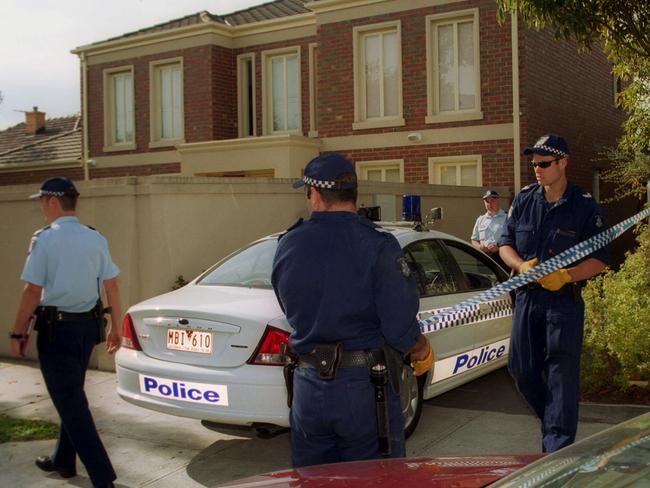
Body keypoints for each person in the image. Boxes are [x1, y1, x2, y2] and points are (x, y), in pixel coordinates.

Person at [271, 153, 433, 468]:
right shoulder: (378, 245)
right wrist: (422, 348)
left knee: (313, 479)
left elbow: (287, 304)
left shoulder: (289, 244)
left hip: (307, 387)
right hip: (364, 389)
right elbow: (399, 325)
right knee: (375, 477)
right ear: (354, 196)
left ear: (313, 194)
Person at [498, 134, 609, 453]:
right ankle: (554, 425)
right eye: (534, 163)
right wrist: (520, 266)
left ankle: (557, 450)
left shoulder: (584, 206)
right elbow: (505, 244)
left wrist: (566, 276)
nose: (537, 169)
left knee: (561, 376)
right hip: (527, 299)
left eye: (544, 163)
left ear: (563, 163)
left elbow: (600, 258)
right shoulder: (523, 199)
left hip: (564, 303)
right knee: (521, 369)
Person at [9, 177, 122, 488]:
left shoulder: (45, 239)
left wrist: (18, 333)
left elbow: (32, 290)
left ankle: (103, 478)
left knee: (71, 401)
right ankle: (63, 460)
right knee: (71, 395)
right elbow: (111, 284)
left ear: (53, 202)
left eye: (42, 201)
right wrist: (117, 327)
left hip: (57, 332)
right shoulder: (95, 238)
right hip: (87, 329)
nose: (41, 207)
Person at [471, 189, 507, 269]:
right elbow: (474, 240)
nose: (489, 204)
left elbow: (513, 240)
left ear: (499, 201)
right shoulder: (480, 220)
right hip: (484, 258)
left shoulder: (507, 218)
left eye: (492, 201)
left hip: (501, 257)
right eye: (487, 201)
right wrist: (480, 247)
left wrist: (498, 248)